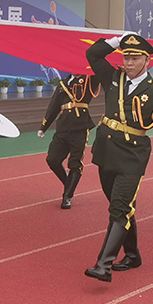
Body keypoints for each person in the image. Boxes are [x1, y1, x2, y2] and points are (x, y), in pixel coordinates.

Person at [84, 33, 153, 282]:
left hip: (132, 155)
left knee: (119, 208)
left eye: (135, 58)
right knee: (122, 207)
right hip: (106, 152)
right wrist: (116, 40)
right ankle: (133, 255)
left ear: (147, 60)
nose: (128, 62)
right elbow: (92, 54)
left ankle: (103, 264)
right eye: (126, 57)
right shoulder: (112, 77)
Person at [37, 74, 100, 209]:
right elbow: (54, 106)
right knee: (52, 159)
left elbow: (100, 72)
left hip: (80, 127)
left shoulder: (89, 79)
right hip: (63, 127)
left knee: (75, 163)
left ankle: (67, 196)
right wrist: (44, 126)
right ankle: (69, 183)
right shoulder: (63, 84)